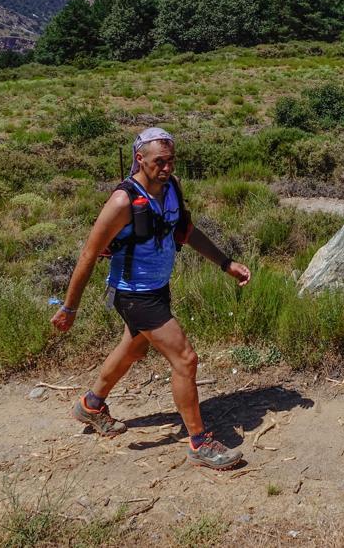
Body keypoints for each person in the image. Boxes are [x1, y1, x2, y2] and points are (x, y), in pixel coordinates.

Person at [51, 127, 250, 470]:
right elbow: (88, 255)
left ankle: (91, 404)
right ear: (139, 159)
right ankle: (200, 444)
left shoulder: (171, 188)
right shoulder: (122, 201)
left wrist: (225, 263)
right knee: (185, 359)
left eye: (171, 160)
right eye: (160, 161)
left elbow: (186, 233)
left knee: (134, 347)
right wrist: (70, 308)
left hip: (157, 287)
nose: (168, 167)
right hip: (133, 294)